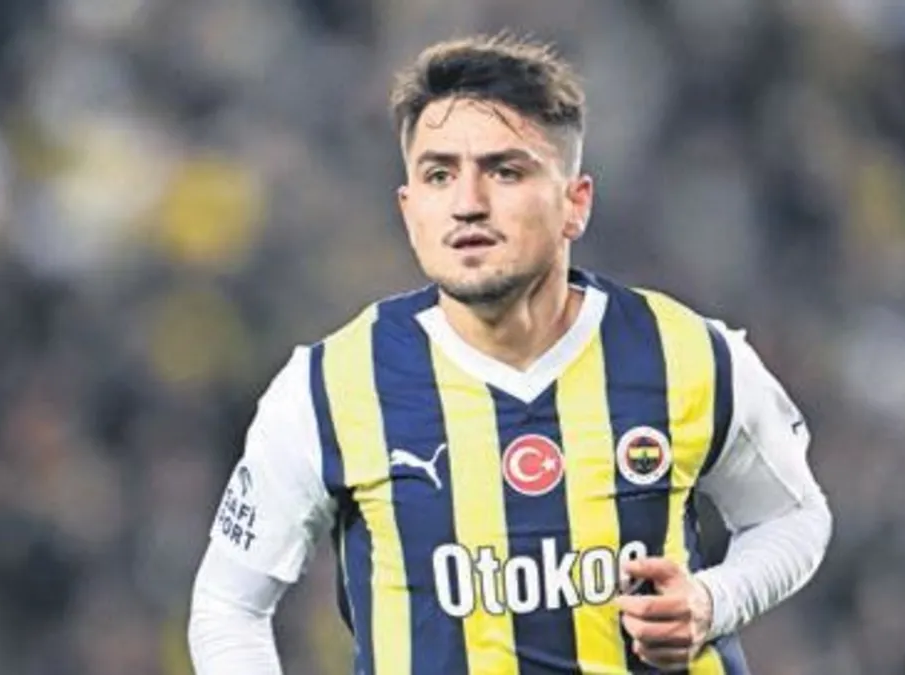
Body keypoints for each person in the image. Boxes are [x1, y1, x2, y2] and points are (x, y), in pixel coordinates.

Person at [187, 32, 832, 675]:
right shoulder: (328, 387)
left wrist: (714, 600)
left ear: (575, 203)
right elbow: (228, 606)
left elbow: (794, 518)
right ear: (410, 210)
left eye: (505, 171)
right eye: (439, 175)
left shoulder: (686, 354)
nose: (468, 204)